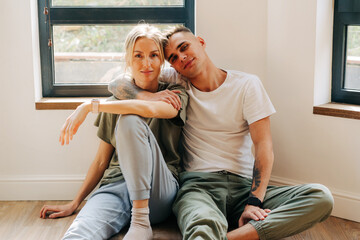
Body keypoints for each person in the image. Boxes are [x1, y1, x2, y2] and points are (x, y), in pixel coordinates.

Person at [110, 26, 334, 240]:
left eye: (184, 47)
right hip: (199, 188)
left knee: (320, 197)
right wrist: (148, 97)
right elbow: (117, 82)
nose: (181, 58)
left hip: (244, 187)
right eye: (174, 58)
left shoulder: (247, 85)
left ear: (201, 42)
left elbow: (264, 146)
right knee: (201, 228)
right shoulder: (178, 80)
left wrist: (254, 202)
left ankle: (231, 237)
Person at [39, 24, 188, 240]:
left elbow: (150, 109)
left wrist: (90, 106)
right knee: (77, 234)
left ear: (162, 60)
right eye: (138, 56)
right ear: (128, 60)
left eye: (154, 55)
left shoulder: (174, 94)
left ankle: (140, 221)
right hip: (117, 186)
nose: (146, 63)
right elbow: (101, 161)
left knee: (129, 120)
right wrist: (75, 202)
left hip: (159, 188)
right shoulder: (114, 102)